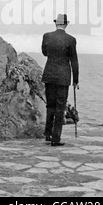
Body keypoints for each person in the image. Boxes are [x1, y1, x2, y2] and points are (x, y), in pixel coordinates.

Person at [42, 14, 79, 147]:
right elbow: (74, 60)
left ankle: (48, 134)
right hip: (63, 77)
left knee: (50, 105)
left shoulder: (47, 36)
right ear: (66, 24)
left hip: (49, 75)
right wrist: (76, 79)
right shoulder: (71, 40)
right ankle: (56, 138)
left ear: (55, 24)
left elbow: (44, 53)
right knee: (60, 107)